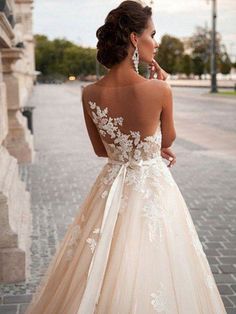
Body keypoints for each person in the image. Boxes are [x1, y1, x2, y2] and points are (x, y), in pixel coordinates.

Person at [26, 1, 227, 313]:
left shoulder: (89, 92)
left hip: (111, 185)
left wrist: (134, 146)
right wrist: (156, 131)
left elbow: (99, 150)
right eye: (153, 34)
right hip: (153, 186)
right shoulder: (159, 89)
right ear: (135, 39)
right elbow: (169, 138)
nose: (156, 42)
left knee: (99, 265)